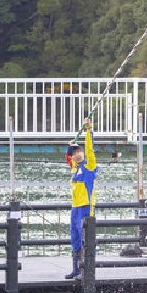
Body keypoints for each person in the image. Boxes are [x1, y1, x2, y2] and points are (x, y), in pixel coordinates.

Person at [64, 117, 98, 280]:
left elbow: (90, 151)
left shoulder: (89, 167)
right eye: (74, 153)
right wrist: (69, 147)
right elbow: (67, 158)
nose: (76, 155)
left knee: (85, 238)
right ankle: (76, 269)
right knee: (75, 238)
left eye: (78, 152)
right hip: (75, 207)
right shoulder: (74, 169)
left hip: (86, 207)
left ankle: (87, 270)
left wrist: (88, 130)